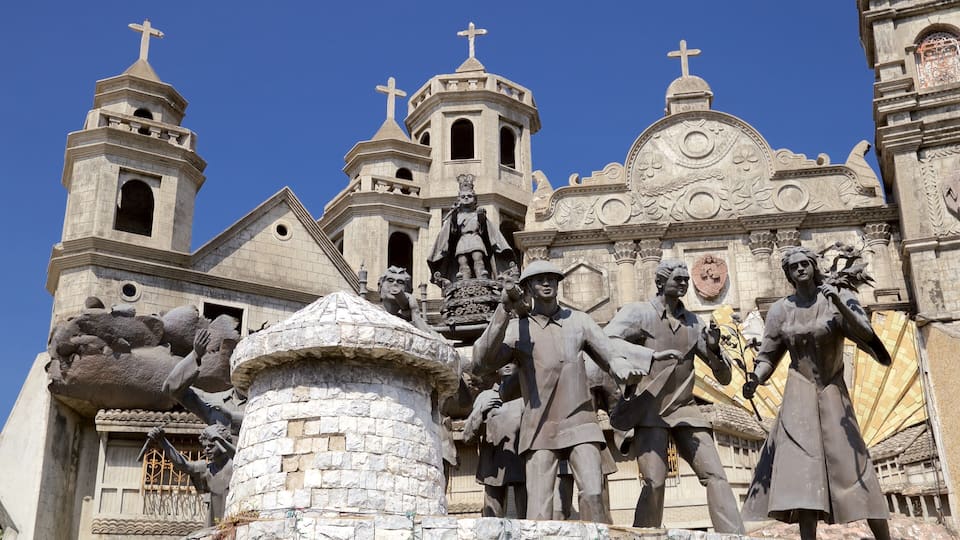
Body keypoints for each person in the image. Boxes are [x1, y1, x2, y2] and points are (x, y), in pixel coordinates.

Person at [471, 260, 672, 522]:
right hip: (539, 427)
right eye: (540, 279)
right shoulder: (518, 328)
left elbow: (609, 353)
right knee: (540, 508)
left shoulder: (579, 321)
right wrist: (503, 309)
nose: (547, 283)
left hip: (580, 421)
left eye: (552, 278)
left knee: (593, 493)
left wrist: (621, 366)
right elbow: (481, 363)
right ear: (528, 287)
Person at [741, 246, 890, 540]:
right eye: (793, 266)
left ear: (813, 266)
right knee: (803, 469)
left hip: (832, 387)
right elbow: (768, 355)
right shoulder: (780, 310)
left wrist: (840, 303)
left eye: (804, 263)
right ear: (788, 274)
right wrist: (755, 379)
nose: (799, 268)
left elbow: (865, 332)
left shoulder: (838, 296)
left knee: (854, 463)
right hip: (799, 391)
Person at [605, 260, 745, 533]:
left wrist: (714, 350)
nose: (683, 283)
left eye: (685, 280)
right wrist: (649, 356)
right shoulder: (638, 313)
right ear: (660, 282)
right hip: (649, 411)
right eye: (677, 279)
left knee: (715, 474)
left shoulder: (693, 322)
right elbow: (606, 340)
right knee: (654, 482)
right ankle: (645, 536)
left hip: (685, 409)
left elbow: (724, 378)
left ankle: (734, 536)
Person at [462, 362, 526, 518]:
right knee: (492, 516)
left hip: (522, 459)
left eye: (512, 362)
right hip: (493, 463)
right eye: (502, 363)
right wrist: (481, 413)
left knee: (527, 516)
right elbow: (467, 436)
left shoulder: (528, 395)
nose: (507, 366)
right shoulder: (486, 396)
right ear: (496, 369)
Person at [427, 174, 514, 285]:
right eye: (463, 197)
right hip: (462, 241)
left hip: (475, 239)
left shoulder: (478, 213)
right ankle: (464, 281)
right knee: (462, 262)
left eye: (469, 196)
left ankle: (481, 278)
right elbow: (453, 232)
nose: (466, 198)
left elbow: (484, 232)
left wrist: (481, 217)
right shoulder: (456, 215)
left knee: (478, 258)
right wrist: (453, 218)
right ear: (459, 199)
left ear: (475, 199)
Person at [146, 423, 235, 526]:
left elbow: (237, 454)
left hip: (234, 520)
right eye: (205, 446)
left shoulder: (237, 465)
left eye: (211, 446)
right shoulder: (206, 469)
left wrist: (219, 439)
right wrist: (162, 441)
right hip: (214, 523)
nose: (207, 449)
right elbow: (184, 465)